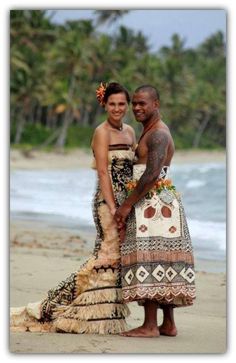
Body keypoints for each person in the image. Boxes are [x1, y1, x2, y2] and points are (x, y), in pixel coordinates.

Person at [10, 82, 136, 334]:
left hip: (126, 204)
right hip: (106, 203)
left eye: (122, 104)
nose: (117, 108)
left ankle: (105, 315)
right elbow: (102, 171)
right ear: (104, 104)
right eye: (112, 104)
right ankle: (56, 308)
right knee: (105, 255)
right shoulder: (101, 132)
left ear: (127, 105)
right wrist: (113, 207)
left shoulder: (131, 132)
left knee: (118, 258)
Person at [114, 85, 196, 337]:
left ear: (156, 104)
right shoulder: (151, 131)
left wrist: (127, 205)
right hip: (159, 200)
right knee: (163, 258)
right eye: (135, 103)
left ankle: (150, 325)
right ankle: (168, 323)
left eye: (143, 104)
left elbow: (151, 173)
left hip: (153, 202)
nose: (137, 107)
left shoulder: (158, 134)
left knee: (149, 255)